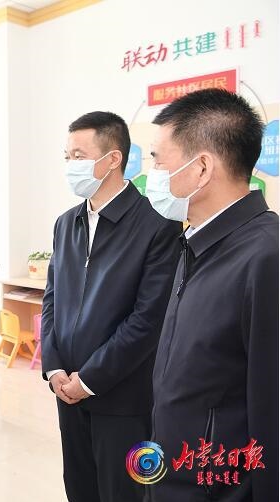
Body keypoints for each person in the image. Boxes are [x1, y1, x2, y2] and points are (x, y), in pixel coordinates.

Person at [41, 112, 181, 502]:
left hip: (123, 398)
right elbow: (52, 298)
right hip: (67, 391)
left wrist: (89, 380)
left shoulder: (157, 223)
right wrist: (54, 367)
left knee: (126, 493)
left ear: (113, 159)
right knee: (79, 487)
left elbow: (148, 319)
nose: (70, 165)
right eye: (67, 157)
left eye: (79, 156)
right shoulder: (66, 223)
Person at [148, 89, 278, 501]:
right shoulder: (197, 242)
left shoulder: (266, 257)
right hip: (173, 473)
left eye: (159, 161)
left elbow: (271, 411)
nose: (152, 174)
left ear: (202, 168)